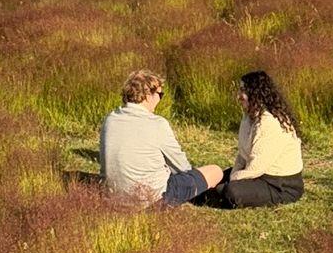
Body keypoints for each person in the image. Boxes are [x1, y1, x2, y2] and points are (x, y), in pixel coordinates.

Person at [99, 70, 223, 207]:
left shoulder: (110, 119)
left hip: (115, 196)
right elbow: (181, 167)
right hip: (152, 199)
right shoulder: (157, 124)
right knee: (215, 171)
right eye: (160, 94)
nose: (160, 99)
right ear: (147, 96)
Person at [215, 70, 304, 209]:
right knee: (215, 178)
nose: (239, 96)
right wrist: (232, 174)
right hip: (258, 174)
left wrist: (232, 181)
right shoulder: (248, 117)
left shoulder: (269, 122)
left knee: (230, 192)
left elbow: (256, 167)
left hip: (280, 184)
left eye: (243, 90)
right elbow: (242, 155)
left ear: (256, 93)